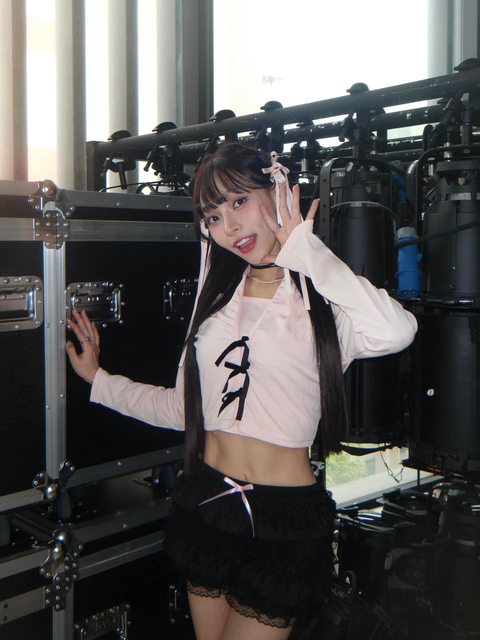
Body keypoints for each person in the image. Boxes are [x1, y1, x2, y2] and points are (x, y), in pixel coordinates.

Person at [66, 142, 417, 640]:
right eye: (213, 216)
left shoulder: (325, 302)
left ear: (276, 191)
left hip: (284, 520)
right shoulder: (215, 302)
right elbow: (181, 408)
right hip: (206, 500)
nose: (228, 226)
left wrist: (306, 250)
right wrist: (99, 380)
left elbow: (398, 331)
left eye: (238, 201)